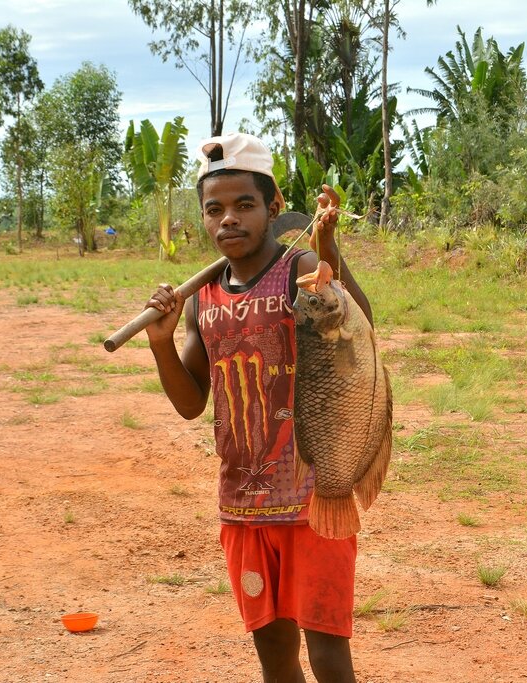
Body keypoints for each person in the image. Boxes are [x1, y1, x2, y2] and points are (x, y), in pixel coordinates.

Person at [143, 132, 372, 683]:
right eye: (214, 209)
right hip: (242, 501)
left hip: (314, 497)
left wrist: (329, 249)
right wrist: (160, 343)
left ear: (273, 209)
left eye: (244, 205)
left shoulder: (300, 269)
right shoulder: (203, 297)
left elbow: (359, 322)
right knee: (273, 650)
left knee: (327, 652)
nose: (229, 220)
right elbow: (191, 404)